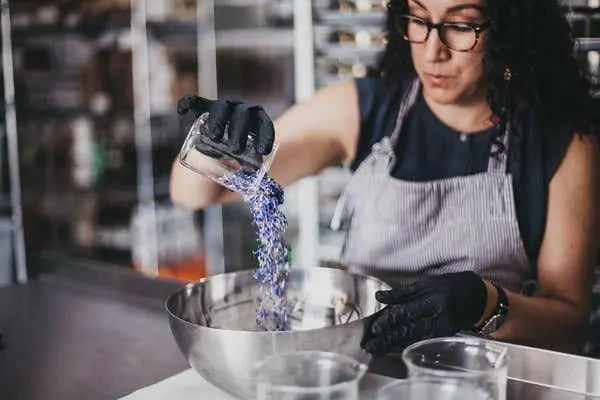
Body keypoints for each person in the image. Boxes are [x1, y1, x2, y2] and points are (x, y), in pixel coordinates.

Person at [170, 0, 599, 355]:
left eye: (461, 26)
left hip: (482, 379)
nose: (433, 51)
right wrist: (213, 145)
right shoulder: (367, 109)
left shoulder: (561, 140)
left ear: (508, 27)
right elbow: (192, 193)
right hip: (362, 370)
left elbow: (568, 322)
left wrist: (483, 303)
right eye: (417, 19)